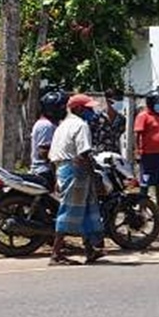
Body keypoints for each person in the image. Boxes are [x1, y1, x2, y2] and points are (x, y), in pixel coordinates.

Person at [48, 94, 104, 265]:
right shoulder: (81, 125)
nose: (91, 112)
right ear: (79, 109)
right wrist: (94, 176)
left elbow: (54, 155)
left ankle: (89, 249)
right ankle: (56, 254)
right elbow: (83, 153)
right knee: (69, 210)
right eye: (88, 108)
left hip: (62, 168)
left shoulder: (62, 126)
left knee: (85, 209)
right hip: (76, 169)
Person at [134, 91, 159, 219]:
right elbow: (137, 135)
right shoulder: (143, 116)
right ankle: (142, 208)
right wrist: (138, 152)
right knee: (145, 182)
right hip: (148, 155)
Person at [30, 90, 65, 191]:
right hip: (44, 171)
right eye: (61, 108)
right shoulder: (46, 126)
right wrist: (57, 173)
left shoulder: (48, 124)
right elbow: (44, 152)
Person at [90, 89, 127, 155]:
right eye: (116, 100)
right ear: (108, 100)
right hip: (99, 155)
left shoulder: (121, 119)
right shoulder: (97, 118)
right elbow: (92, 137)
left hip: (115, 154)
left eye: (120, 100)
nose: (119, 103)